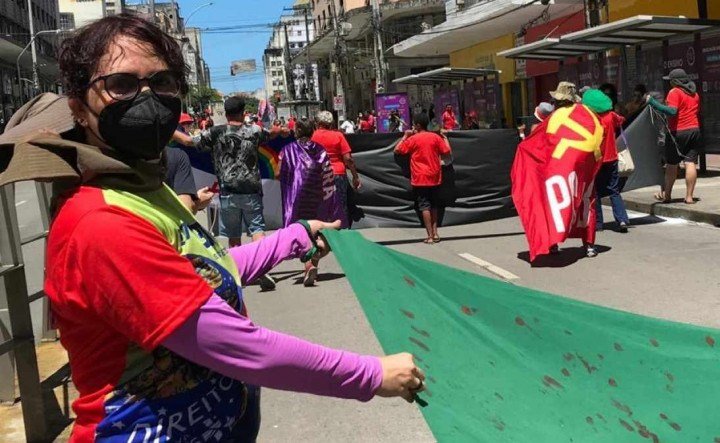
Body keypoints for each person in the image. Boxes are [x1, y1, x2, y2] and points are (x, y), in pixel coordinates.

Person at [0, 15, 424, 443]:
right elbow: (237, 346)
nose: (146, 98)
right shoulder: (101, 223)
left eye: (162, 81)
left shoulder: (142, 189)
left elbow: (198, 272)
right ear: (78, 108)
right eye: (121, 85)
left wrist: (293, 237)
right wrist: (371, 375)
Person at [188, 96, 276, 250]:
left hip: (228, 192)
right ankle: (261, 266)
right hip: (252, 191)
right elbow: (271, 134)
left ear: (226, 114)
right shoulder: (254, 130)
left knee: (233, 236)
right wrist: (282, 131)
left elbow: (190, 142)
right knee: (257, 230)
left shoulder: (215, 132)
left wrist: (171, 133)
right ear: (243, 113)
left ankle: (239, 269)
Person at [280, 118, 343, 286]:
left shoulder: (288, 149)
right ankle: (312, 264)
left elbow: (281, 173)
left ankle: (309, 265)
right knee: (318, 233)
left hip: (297, 197)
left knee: (301, 232)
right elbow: (328, 175)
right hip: (317, 197)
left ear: (297, 131)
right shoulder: (320, 150)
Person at [548, 81, 599, 257]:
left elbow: (548, 142)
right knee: (586, 201)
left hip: (562, 164)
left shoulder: (556, 116)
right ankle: (589, 245)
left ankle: (553, 242)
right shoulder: (588, 113)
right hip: (587, 164)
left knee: (557, 200)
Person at [394, 113, 452, 244]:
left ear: (418, 125)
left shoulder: (413, 139)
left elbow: (397, 150)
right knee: (434, 205)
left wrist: (405, 136)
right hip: (435, 176)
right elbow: (447, 151)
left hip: (420, 178)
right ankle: (436, 233)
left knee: (424, 206)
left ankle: (430, 236)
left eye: (414, 124)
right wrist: (444, 137)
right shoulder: (435, 137)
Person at [647, 68, 701, 205]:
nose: (669, 83)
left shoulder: (674, 92)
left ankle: (668, 195)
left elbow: (672, 111)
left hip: (678, 132)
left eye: (670, 80)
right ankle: (689, 197)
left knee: (672, 165)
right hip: (694, 130)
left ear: (675, 81)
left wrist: (653, 103)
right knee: (690, 163)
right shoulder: (694, 94)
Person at [582, 89, 630, 233]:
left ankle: (598, 224)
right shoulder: (611, 116)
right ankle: (622, 219)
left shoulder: (590, 119)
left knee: (595, 192)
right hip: (612, 158)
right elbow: (622, 120)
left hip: (596, 160)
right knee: (614, 190)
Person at [313, 110, 361, 228]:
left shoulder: (312, 136)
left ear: (318, 123)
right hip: (338, 173)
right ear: (331, 123)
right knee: (341, 205)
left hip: (319, 175)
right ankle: (343, 232)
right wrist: (355, 177)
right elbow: (348, 159)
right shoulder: (338, 136)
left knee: (321, 205)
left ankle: (323, 233)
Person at [166, 113, 213, 213]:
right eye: (183, 124)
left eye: (188, 124)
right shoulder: (175, 151)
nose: (186, 126)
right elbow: (188, 141)